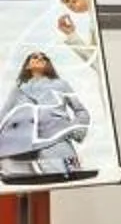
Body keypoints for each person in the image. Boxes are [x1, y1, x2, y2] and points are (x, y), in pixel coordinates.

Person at [0, 50, 95, 183]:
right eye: (34, 57)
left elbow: (81, 110)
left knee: (71, 177)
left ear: (48, 65)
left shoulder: (61, 84)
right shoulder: (18, 88)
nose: (39, 58)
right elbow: (3, 115)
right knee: (23, 185)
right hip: (21, 144)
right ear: (27, 65)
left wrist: (74, 129)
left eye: (43, 58)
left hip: (56, 138)